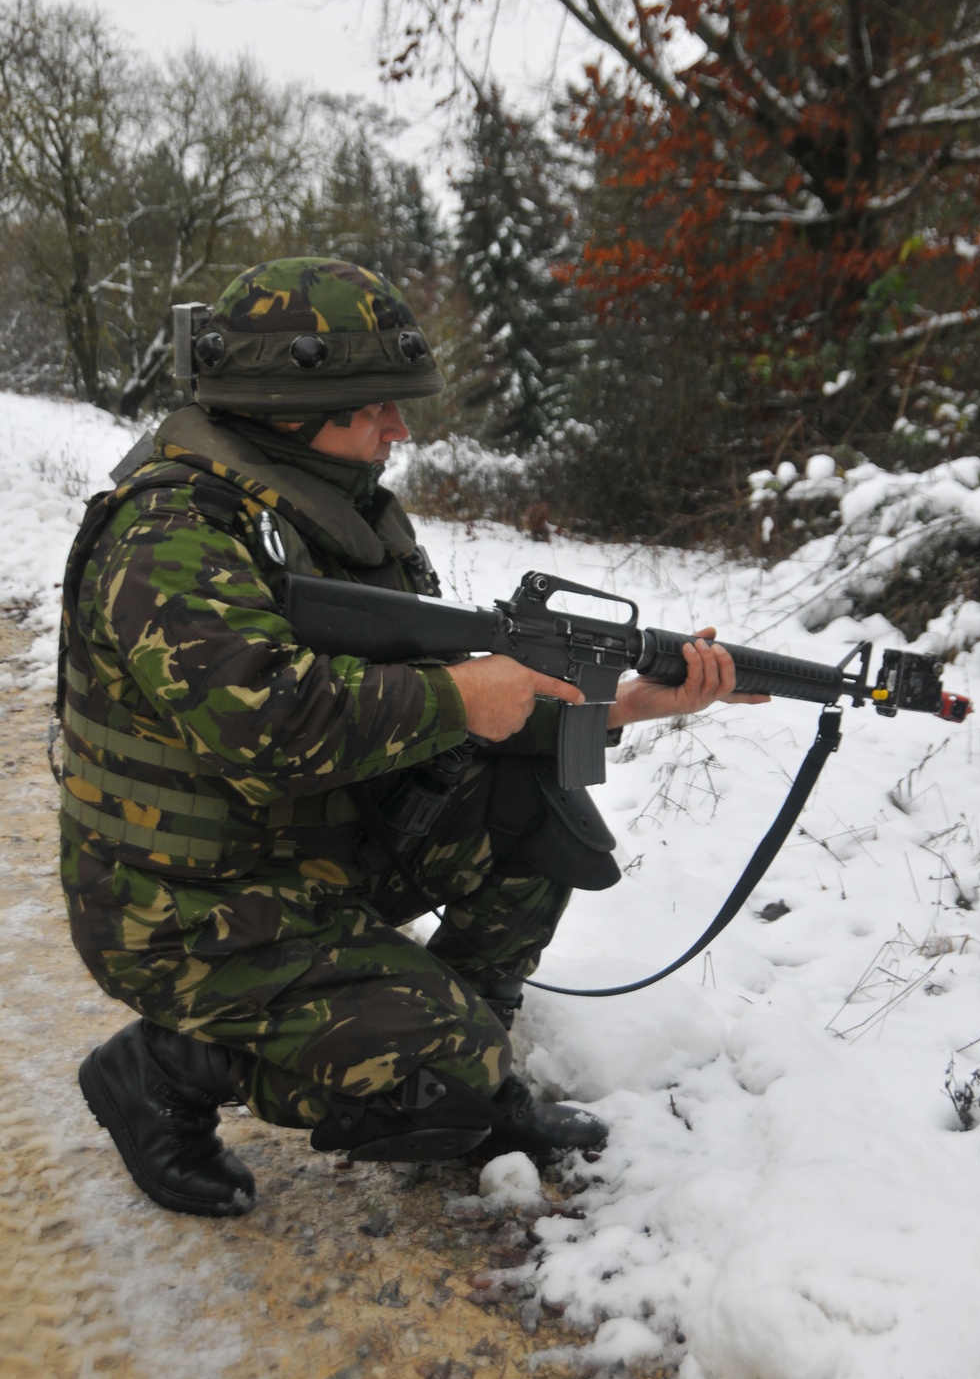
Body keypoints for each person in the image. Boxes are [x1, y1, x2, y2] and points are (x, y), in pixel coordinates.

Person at [59, 257, 763, 1219]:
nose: (402, 428)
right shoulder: (174, 532)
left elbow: (454, 702)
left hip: (307, 849)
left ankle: (467, 1071)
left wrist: (632, 705)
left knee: (534, 808)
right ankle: (164, 1070)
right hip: (179, 905)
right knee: (441, 1072)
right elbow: (269, 722)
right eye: (377, 406)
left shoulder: (342, 513)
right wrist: (458, 700)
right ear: (288, 402)